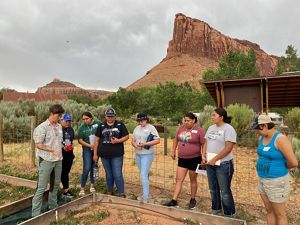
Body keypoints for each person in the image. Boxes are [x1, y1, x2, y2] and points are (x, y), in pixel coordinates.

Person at [252, 114, 298, 225]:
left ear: (264, 125)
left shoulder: (280, 139)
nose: (256, 131)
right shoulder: (262, 138)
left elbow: (293, 162)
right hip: (263, 180)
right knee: (269, 211)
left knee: (280, 214)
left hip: (276, 182)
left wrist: (283, 167)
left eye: (257, 128)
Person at [164, 112, 205, 209]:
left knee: (193, 180)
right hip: (182, 158)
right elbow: (175, 139)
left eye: (188, 121)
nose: (186, 122)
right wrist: (173, 150)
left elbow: (204, 143)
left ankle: (192, 199)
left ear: (194, 120)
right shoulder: (181, 128)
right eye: (185, 120)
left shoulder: (199, 130)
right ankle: (174, 200)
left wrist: (203, 156)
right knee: (179, 179)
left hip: (194, 159)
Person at [202, 108, 236, 217]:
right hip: (210, 163)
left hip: (223, 164)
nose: (212, 117)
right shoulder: (211, 128)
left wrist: (215, 159)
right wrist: (203, 155)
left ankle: (229, 213)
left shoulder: (228, 129)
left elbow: (228, 148)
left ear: (221, 117)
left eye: (214, 115)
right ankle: (216, 209)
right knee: (213, 188)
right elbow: (206, 142)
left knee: (224, 190)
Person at [32, 104, 65, 217]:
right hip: (46, 159)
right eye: (58, 115)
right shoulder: (41, 128)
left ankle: (53, 206)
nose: (59, 118)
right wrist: (50, 150)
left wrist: (63, 146)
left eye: (60, 116)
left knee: (55, 184)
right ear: (51, 114)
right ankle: (35, 214)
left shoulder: (59, 127)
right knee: (41, 186)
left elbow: (58, 141)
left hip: (58, 159)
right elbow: (38, 144)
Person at [93, 108, 129, 197]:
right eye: (108, 116)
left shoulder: (120, 124)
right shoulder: (101, 125)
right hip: (104, 155)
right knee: (108, 174)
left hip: (117, 154)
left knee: (117, 174)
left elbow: (127, 136)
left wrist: (119, 140)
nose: (110, 118)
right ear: (105, 116)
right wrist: (95, 154)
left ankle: (121, 192)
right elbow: (96, 140)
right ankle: (110, 191)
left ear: (115, 116)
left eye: (112, 116)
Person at [131, 113, 160, 203]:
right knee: (144, 174)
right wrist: (135, 145)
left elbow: (157, 140)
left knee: (143, 174)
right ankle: (145, 192)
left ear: (146, 120)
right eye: (139, 121)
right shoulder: (137, 128)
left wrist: (145, 144)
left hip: (147, 154)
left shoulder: (151, 128)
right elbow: (133, 140)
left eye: (142, 120)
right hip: (138, 154)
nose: (141, 122)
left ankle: (146, 197)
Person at [77, 112, 101, 196]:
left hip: (96, 148)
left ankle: (92, 185)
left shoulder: (98, 124)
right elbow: (80, 140)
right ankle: (82, 187)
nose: (85, 120)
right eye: (83, 119)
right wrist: (90, 145)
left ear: (91, 118)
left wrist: (96, 145)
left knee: (93, 166)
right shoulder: (82, 127)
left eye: (86, 118)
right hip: (87, 148)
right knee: (86, 167)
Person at [60, 113, 75, 198]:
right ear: (61, 120)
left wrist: (71, 146)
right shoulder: (58, 129)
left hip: (69, 154)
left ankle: (66, 190)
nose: (68, 123)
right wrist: (62, 147)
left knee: (66, 172)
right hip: (60, 155)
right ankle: (54, 191)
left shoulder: (71, 129)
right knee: (58, 173)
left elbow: (70, 140)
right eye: (66, 121)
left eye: (69, 121)